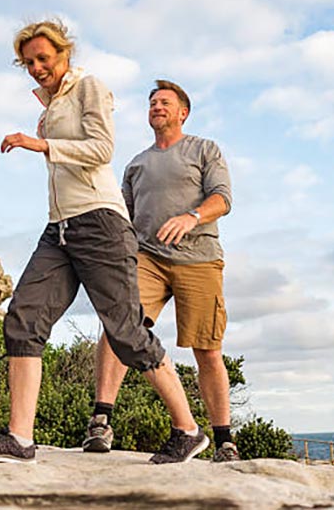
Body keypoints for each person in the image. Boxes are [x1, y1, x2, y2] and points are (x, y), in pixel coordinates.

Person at [0, 21, 208, 465]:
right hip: (59, 229)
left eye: (44, 58)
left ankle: (187, 430)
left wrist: (41, 144)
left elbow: (102, 149)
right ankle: (19, 439)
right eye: (29, 62)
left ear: (64, 54)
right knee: (23, 317)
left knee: (126, 332)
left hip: (100, 223)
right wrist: (45, 138)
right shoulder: (49, 106)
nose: (37, 68)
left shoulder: (89, 87)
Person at [84, 79, 239, 462]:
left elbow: (223, 199)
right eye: (152, 102)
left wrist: (191, 217)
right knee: (119, 327)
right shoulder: (136, 164)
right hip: (147, 257)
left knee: (208, 350)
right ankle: (101, 422)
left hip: (199, 257)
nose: (157, 106)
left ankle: (224, 442)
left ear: (183, 112)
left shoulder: (204, 149)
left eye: (165, 102)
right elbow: (123, 216)